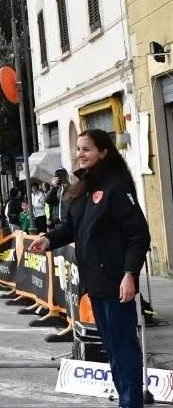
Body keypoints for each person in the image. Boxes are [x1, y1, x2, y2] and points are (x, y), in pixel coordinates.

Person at [30, 129, 150, 408]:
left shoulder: (117, 187)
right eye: (78, 149)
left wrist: (130, 274)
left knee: (123, 349)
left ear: (103, 152)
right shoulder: (82, 188)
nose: (80, 154)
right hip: (94, 284)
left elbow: (139, 236)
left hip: (117, 285)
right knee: (111, 351)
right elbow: (72, 228)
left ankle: (131, 403)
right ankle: (125, 400)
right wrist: (48, 239)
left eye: (87, 149)